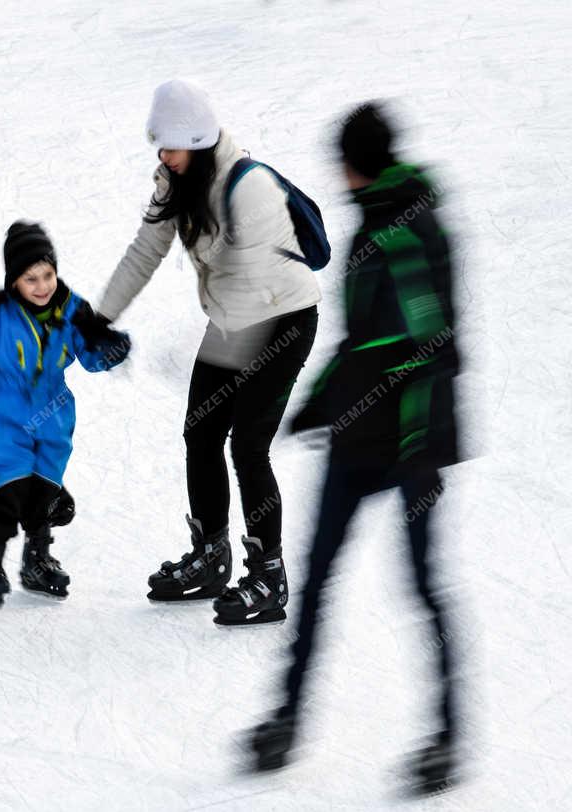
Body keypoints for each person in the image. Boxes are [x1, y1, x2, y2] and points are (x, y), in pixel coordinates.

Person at [248, 103, 462, 796]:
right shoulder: (378, 218)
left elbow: (429, 346)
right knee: (318, 579)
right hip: (362, 436)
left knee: (422, 585)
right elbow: (363, 337)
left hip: (410, 441)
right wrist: (320, 401)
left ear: (353, 164)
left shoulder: (405, 232)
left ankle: (448, 737)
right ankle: (286, 719)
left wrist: (410, 443)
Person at [96, 79, 320, 620]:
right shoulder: (176, 182)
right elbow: (145, 250)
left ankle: (269, 576)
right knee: (201, 433)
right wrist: (98, 318)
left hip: (283, 320)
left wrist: (213, 366)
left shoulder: (251, 188)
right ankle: (211, 554)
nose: (163, 155)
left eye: (170, 146)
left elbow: (249, 278)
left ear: (196, 142)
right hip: (233, 319)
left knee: (247, 446)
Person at [0, 221, 131, 607]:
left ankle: (37, 559)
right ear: (14, 281)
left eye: (48, 275)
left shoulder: (73, 310)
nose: (42, 286)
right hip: (4, 415)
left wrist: (108, 350)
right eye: (30, 278)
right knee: (10, 488)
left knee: (43, 492)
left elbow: (89, 356)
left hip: (55, 416)